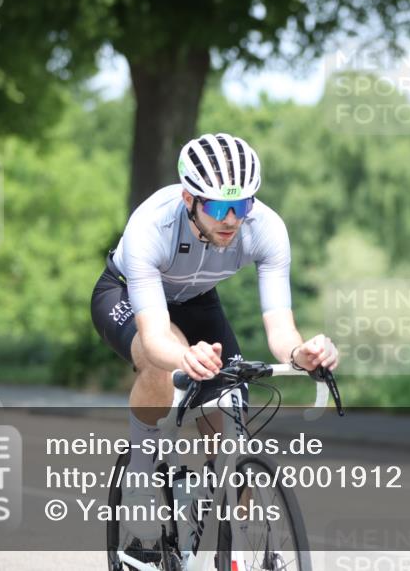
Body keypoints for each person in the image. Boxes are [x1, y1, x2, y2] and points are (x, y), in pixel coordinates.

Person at [90, 133, 339, 546]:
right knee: (162, 363)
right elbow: (155, 338)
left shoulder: (267, 228)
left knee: (232, 439)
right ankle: (139, 472)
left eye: (241, 206)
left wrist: (301, 353)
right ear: (189, 199)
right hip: (128, 295)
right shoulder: (151, 224)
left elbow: (280, 328)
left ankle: (231, 540)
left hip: (198, 300)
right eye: (219, 206)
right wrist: (186, 357)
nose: (231, 219)